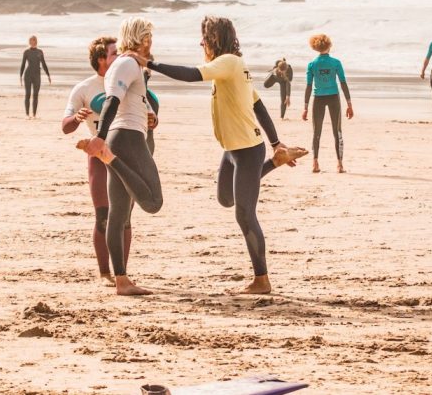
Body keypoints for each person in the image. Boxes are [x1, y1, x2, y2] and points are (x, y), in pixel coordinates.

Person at [127, 15, 308, 294]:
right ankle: (275, 162)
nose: (201, 42)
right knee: (226, 198)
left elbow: (191, 74)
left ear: (215, 39)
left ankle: (262, 279)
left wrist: (148, 63)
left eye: (204, 37)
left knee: (244, 214)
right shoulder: (234, 66)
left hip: (247, 150)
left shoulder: (229, 63)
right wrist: (276, 143)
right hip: (231, 150)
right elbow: (258, 105)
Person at [81, 18, 163, 296]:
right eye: (148, 37)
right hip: (126, 138)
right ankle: (109, 158)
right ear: (139, 38)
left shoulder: (131, 64)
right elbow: (112, 101)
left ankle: (122, 281)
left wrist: (149, 115)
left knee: (117, 215)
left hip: (125, 134)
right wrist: (100, 139)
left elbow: (129, 100)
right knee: (153, 202)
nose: (151, 42)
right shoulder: (126, 64)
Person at [62, 37, 121, 286]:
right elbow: (65, 127)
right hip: (98, 156)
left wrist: (154, 120)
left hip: (124, 156)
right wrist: (76, 118)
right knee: (103, 215)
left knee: (124, 217)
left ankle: (122, 273)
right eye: (114, 53)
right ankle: (105, 273)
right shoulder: (85, 88)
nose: (120, 57)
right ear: (101, 59)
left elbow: (148, 113)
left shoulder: (126, 83)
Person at [302, 35, 353, 173]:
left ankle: (315, 163)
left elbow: (308, 86)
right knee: (337, 132)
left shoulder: (312, 64)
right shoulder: (336, 63)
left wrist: (305, 107)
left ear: (315, 47)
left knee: (316, 132)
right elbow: (343, 83)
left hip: (317, 99)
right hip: (333, 98)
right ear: (329, 45)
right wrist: (349, 104)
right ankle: (339, 164)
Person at [20, 35, 51, 119]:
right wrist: (20, 76)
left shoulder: (40, 52)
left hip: (37, 75)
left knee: (36, 95)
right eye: (32, 40)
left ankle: (34, 115)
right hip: (28, 75)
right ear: (29, 42)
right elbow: (23, 64)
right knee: (28, 94)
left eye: (35, 40)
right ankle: (27, 114)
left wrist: (48, 75)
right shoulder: (26, 52)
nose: (33, 42)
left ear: (36, 42)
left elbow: (43, 64)